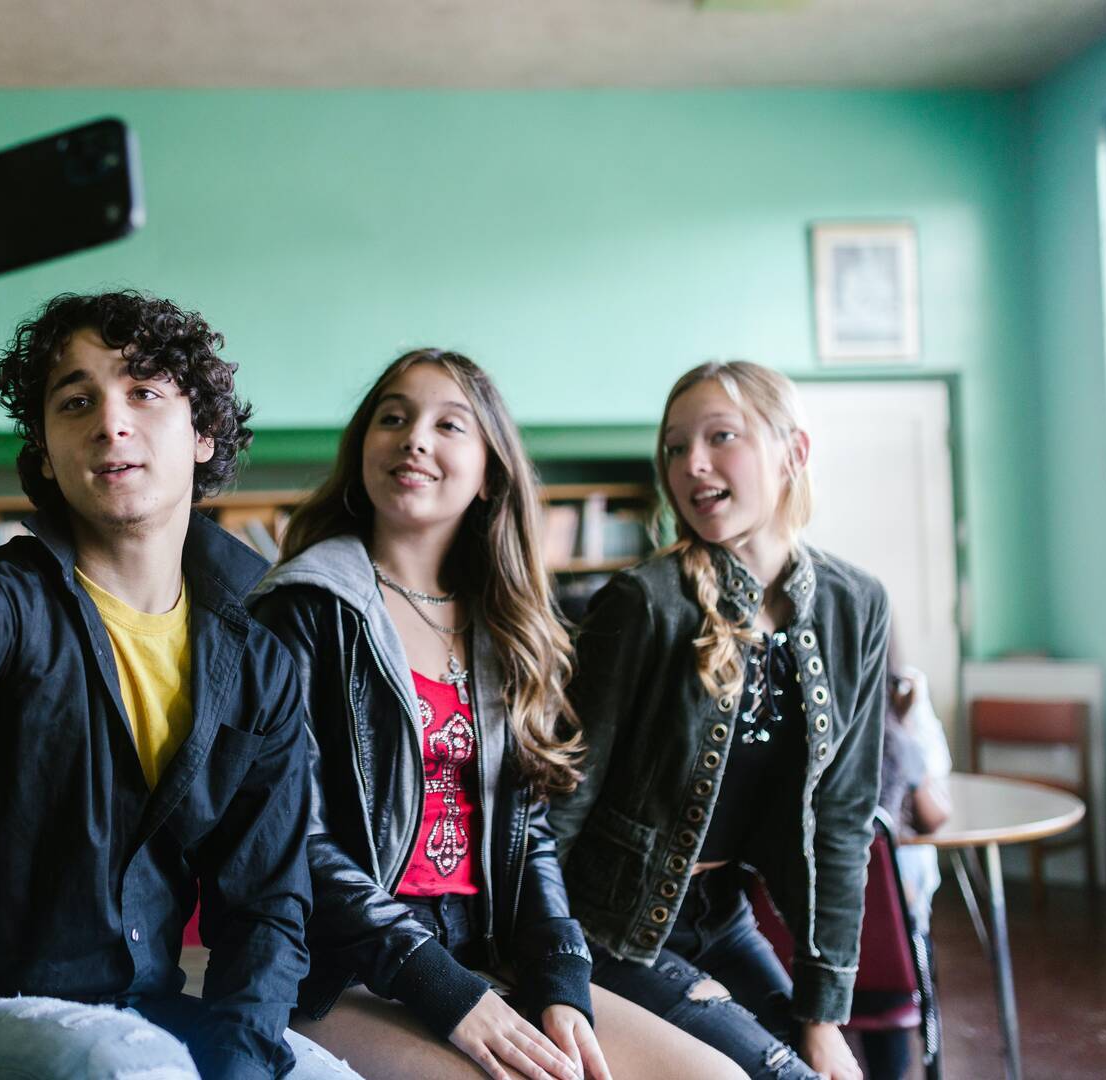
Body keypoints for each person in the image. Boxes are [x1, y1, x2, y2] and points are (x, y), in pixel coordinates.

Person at [0, 159, 347, 1080]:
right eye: (75, 401)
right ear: (47, 461)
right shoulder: (2, 608)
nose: (110, 420)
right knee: (127, 1068)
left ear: (203, 434)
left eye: (144, 391)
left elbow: (265, 903)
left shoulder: (258, 656)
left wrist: (245, 1063)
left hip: (139, 1009)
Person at [250, 349, 744, 1080]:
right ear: (362, 452)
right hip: (346, 963)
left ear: (489, 475)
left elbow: (530, 830)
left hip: (485, 949)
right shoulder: (303, 610)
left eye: (449, 424)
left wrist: (561, 984)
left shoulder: (506, 624)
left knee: (716, 1078)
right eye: (393, 418)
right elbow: (293, 838)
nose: (414, 437)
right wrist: (445, 989)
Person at [550, 361, 890, 1080]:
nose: (692, 465)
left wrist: (824, 1017)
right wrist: (542, 965)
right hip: (615, 930)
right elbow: (563, 801)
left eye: (720, 437)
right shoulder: (644, 602)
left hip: (723, 919)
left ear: (792, 452)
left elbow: (843, 817)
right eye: (675, 447)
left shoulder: (854, 604)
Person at [855, 633, 950, 1080]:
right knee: (905, 923)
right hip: (883, 957)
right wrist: (908, 725)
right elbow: (934, 817)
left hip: (793, 954)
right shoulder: (898, 741)